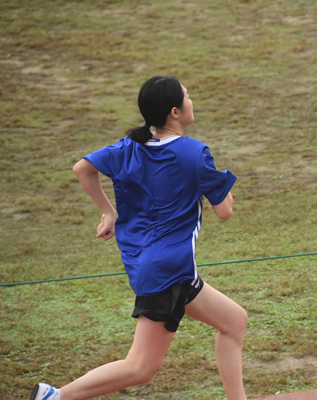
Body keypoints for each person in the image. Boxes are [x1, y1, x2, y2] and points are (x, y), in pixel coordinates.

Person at [31, 75, 248, 400]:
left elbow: (83, 169)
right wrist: (212, 181)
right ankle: (56, 397)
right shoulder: (194, 153)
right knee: (141, 368)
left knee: (234, 320)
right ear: (175, 111)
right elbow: (226, 211)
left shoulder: (129, 147)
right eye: (188, 97)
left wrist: (109, 212)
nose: (192, 101)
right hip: (167, 272)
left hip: (161, 267)